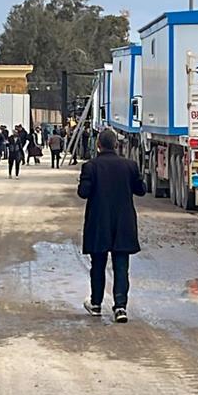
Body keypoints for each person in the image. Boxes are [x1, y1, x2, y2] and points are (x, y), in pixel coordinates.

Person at [78, 128, 146, 323]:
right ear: (116, 145)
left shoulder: (90, 167)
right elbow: (141, 191)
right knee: (121, 266)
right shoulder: (130, 166)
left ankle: (96, 304)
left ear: (98, 145)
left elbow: (83, 193)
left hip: (98, 222)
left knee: (97, 265)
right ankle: (120, 307)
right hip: (123, 223)